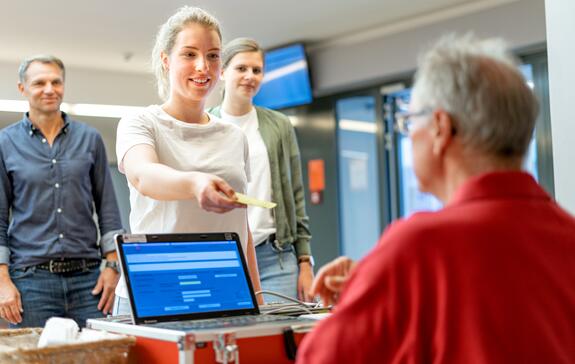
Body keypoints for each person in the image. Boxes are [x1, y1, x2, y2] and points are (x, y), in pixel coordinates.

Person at [297, 34, 575, 363]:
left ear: (441, 127)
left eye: (410, 120)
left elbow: (320, 358)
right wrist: (376, 281)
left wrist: (377, 287)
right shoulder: (566, 235)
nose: (409, 132)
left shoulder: (418, 247)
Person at [113, 7, 262, 314]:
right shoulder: (140, 123)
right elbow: (144, 175)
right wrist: (195, 183)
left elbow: (241, 226)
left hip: (224, 288)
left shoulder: (234, 137)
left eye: (213, 55)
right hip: (152, 287)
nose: (202, 66)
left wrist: (257, 298)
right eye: (189, 54)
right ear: (166, 61)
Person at [0, 55, 124, 328]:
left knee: (100, 357)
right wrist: (2, 281)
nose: (49, 89)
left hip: (89, 282)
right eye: (39, 82)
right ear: (22, 88)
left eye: (56, 82)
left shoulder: (89, 139)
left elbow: (108, 209)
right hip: (31, 282)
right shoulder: (5, 143)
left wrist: (113, 269)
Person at [208, 38, 313, 303]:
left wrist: (305, 261)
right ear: (222, 72)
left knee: (279, 340)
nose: (250, 77)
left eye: (257, 70)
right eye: (241, 68)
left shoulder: (278, 125)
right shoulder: (204, 124)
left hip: (275, 257)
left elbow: (296, 195)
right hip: (222, 258)